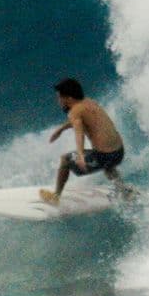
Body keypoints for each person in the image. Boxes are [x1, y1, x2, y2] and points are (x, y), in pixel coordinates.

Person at [40, 77, 127, 205]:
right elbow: (80, 121)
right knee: (107, 165)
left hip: (104, 156)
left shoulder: (75, 111)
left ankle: (56, 196)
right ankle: (124, 191)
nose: (58, 101)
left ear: (69, 98)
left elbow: (79, 132)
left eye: (60, 97)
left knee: (65, 159)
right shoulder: (89, 102)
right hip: (118, 153)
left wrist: (80, 155)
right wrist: (61, 129)